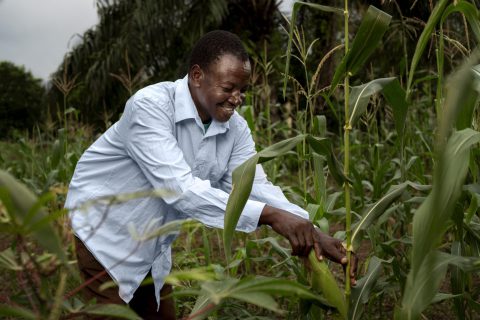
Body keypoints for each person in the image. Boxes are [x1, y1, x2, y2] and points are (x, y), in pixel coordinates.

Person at [65, 30, 356, 320]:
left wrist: (312, 231)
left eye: (243, 91)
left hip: (151, 246)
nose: (237, 99)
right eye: (229, 88)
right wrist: (272, 216)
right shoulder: (150, 107)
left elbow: (254, 186)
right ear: (196, 76)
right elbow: (180, 190)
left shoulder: (236, 129)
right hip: (105, 231)